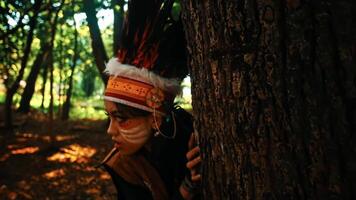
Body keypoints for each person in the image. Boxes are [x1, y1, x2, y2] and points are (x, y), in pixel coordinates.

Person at [99, 0, 201, 199]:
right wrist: (187, 188)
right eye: (110, 117)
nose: (110, 131)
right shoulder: (122, 166)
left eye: (121, 118)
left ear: (157, 118)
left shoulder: (187, 129)